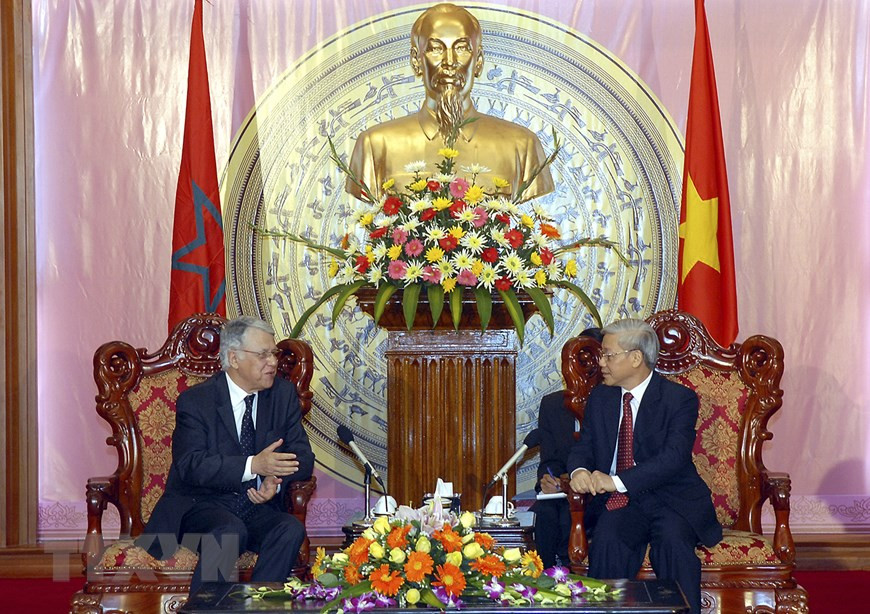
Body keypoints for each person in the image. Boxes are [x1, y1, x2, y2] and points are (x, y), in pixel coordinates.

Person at [139, 316, 315, 593]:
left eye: (274, 353)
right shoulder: (197, 400)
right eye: (263, 354)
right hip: (201, 506)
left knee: (289, 529)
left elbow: (303, 459)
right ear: (234, 358)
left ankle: (258, 607)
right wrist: (254, 465)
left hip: (256, 507)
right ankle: (204, 610)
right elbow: (191, 465)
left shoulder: (281, 395)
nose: (273, 362)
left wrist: (274, 477)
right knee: (229, 533)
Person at [567, 319, 721, 614]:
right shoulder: (601, 397)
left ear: (635, 358)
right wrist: (579, 472)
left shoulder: (678, 399)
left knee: (674, 545)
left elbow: (673, 458)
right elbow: (584, 446)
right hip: (622, 503)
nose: (601, 362)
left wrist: (615, 481)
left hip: (671, 499)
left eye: (609, 355)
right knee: (609, 541)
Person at [346, 3, 554, 202]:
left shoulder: (521, 146)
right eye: (435, 48)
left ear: (478, 61)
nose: (449, 62)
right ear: (416, 61)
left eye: (462, 48)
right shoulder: (375, 146)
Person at [532, 328, 603, 568]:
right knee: (547, 512)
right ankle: (548, 581)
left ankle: (578, 584)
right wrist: (546, 478)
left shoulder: (615, 400)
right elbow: (549, 459)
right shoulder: (553, 405)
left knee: (570, 516)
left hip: (600, 490)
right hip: (562, 489)